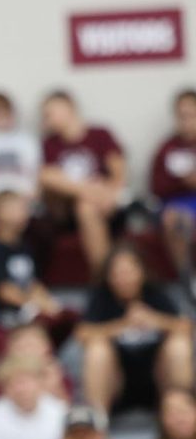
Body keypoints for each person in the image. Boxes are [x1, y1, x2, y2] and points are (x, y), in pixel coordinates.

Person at [77, 246, 192, 415]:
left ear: (142, 272)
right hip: (117, 382)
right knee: (97, 350)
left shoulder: (154, 293)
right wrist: (122, 325)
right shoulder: (101, 297)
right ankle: (97, 420)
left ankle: (182, 413)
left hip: (157, 378)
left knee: (179, 344)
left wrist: (156, 320)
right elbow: (82, 333)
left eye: (129, 271)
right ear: (108, 277)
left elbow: (186, 326)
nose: (124, 279)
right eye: (118, 273)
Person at [38, 90, 127, 272]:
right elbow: (47, 177)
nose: (47, 119)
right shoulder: (49, 143)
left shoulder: (100, 134)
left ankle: (102, 276)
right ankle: (106, 278)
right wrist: (90, 190)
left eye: (50, 113)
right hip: (66, 208)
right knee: (46, 176)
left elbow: (119, 172)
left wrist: (109, 194)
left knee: (86, 208)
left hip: (105, 205)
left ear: (68, 107)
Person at [0, 190, 62, 327]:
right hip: (3, 317)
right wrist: (34, 304)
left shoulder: (25, 247)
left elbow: (33, 282)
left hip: (27, 311)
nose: (25, 212)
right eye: (18, 207)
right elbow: (3, 290)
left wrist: (49, 302)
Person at [151, 89, 196, 295]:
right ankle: (187, 282)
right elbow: (156, 186)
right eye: (181, 116)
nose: (186, 121)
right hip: (175, 205)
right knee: (175, 219)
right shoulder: (167, 147)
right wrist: (183, 182)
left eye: (191, 114)